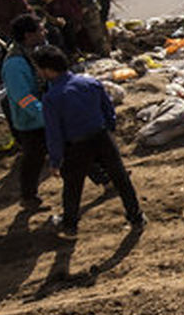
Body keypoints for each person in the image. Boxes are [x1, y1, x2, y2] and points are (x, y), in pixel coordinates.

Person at [34, 45, 144, 235]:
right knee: (120, 178)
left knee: (73, 187)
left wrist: (55, 160)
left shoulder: (51, 98)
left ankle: (70, 226)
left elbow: (54, 133)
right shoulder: (90, 83)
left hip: (76, 145)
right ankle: (136, 217)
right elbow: (108, 109)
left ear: (47, 70)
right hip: (101, 137)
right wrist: (109, 129)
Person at [2, 14, 49, 211]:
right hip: (30, 121)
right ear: (29, 35)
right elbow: (23, 97)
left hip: (43, 113)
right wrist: (43, 114)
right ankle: (28, 196)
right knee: (33, 159)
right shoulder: (15, 64)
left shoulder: (33, 53)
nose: (44, 32)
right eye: (40, 30)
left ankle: (104, 178)